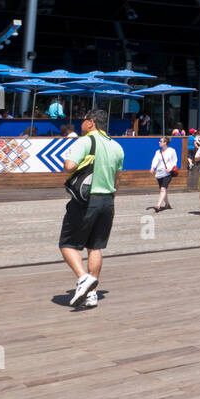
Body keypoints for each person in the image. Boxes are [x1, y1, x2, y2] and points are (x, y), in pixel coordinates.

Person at [59, 110, 124, 308]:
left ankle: (83, 278)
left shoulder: (86, 141)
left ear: (91, 122)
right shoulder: (117, 146)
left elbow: (69, 166)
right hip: (107, 201)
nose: (81, 124)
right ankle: (92, 294)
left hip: (87, 201)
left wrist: (77, 162)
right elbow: (117, 180)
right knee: (95, 246)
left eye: (84, 120)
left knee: (67, 244)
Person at [150, 135, 178, 212]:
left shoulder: (172, 151)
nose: (159, 142)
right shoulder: (158, 152)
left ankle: (158, 205)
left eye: (161, 141)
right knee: (163, 189)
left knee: (163, 189)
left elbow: (175, 161)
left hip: (168, 173)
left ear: (165, 143)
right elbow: (155, 160)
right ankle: (167, 204)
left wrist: (170, 168)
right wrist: (153, 167)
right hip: (159, 173)